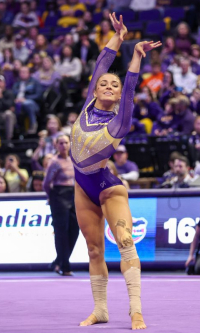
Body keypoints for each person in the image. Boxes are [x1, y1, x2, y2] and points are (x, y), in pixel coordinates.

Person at [70, 13, 160, 330]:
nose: (108, 85)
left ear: (118, 95)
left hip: (108, 188)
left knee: (124, 243)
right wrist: (117, 37)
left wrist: (135, 54)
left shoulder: (119, 122)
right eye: (103, 83)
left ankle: (136, 311)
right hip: (81, 187)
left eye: (114, 85)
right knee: (94, 249)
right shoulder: (85, 106)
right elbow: (102, 62)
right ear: (95, 90)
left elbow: (131, 87)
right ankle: (101, 310)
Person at [43, 134, 79, 277]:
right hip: (59, 194)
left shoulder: (73, 160)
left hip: (73, 194)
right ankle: (65, 266)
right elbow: (46, 183)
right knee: (61, 231)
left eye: (66, 142)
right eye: (61, 143)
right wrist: (50, 197)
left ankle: (59, 261)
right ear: (56, 146)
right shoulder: (54, 162)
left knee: (75, 229)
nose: (63, 145)